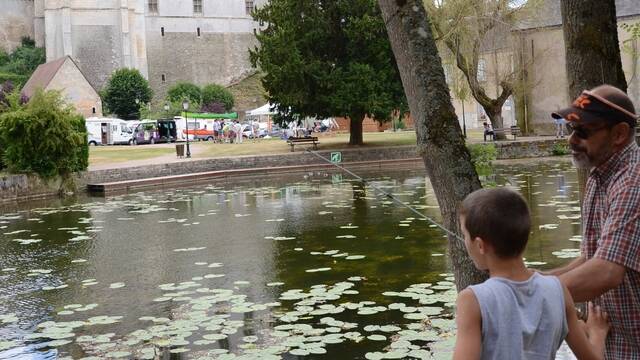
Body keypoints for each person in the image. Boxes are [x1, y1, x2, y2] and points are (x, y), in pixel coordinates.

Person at [453, 188, 609, 360]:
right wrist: (597, 333)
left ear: (480, 245)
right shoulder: (558, 290)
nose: (465, 241)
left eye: (464, 234)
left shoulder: (472, 300)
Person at [547, 84, 640, 359]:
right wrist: (529, 280)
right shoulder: (600, 176)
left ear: (619, 134)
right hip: (613, 345)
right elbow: (591, 259)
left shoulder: (633, 180)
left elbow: (606, 271)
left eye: (583, 132)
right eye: (570, 129)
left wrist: (532, 295)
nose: (572, 140)